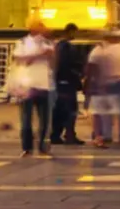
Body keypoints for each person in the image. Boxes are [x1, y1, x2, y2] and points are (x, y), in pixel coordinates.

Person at [9, 19, 56, 156]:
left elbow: (53, 63)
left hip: (44, 84)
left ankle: (42, 146)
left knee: (44, 119)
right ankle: (27, 147)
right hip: (27, 85)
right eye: (41, 27)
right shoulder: (23, 43)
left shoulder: (47, 43)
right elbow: (20, 60)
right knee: (26, 118)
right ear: (33, 29)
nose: (44, 30)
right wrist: (39, 54)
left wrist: (51, 54)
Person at [51, 24, 87, 146]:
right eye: (75, 33)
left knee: (59, 110)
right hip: (66, 83)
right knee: (70, 110)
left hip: (60, 82)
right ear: (70, 32)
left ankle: (55, 135)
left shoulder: (58, 46)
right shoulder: (65, 47)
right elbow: (66, 64)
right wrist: (76, 74)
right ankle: (69, 135)